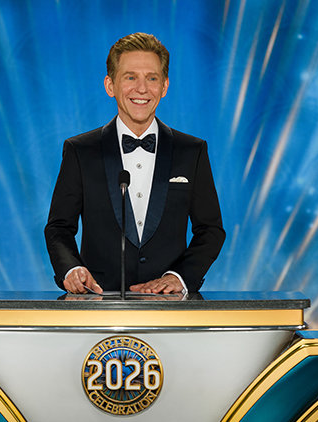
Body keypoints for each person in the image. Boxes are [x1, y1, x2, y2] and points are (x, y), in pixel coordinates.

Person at [44, 32, 225, 295]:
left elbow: (210, 230)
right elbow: (59, 227)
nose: (142, 89)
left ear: (164, 86)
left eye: (152, 78)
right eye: (130, 77)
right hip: (98, 303)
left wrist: (179, 277)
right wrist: (71, 269)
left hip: (171, 306)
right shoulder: (80, 151)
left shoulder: (192, 151)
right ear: (110, 85)